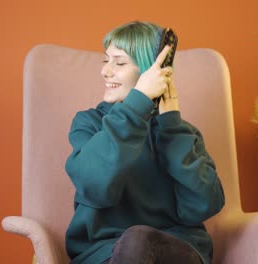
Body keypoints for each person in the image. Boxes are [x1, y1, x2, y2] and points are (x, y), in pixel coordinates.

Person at [65, 21, 225, 264]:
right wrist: (136, 106)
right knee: (135, 240)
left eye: (119, 63)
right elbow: (94, 185)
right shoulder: (89, 123)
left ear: (151, 71)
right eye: (105, 60)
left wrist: (170, 125)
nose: (105, 71)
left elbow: (203, 206)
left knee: (140, 238)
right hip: (104, 253)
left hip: (176, 249)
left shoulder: (181, 132)